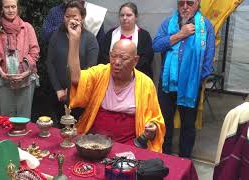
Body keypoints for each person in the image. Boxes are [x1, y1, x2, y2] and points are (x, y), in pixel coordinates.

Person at [66, 17, 165, 152]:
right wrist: (74, 40)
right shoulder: (101, 72)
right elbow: (76, 78)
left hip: (130, 143)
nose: (116, 62)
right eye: (113, 56)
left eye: (123, 58)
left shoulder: (145, 83)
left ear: (135, 61)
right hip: (95, 139)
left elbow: (155, 119)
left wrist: (153, 127)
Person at [152, 0, 215, 158]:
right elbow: (156, 45)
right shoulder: (168, 23)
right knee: (165, 122)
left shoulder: (205, 26)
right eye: (181, 3)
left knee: (188, 125)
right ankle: (163, 157)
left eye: (190, 3)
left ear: (198, 4)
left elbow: (208, 59)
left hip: (191, 85)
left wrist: (196, 81)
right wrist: (181, 34)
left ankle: (184, 159)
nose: (185, 7)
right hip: (167, 85)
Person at [45, 0, 99, 125]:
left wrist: (73, 91)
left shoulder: (90, 39)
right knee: (59, 130)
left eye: (74, 16)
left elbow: (90, 70)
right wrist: (58, 89)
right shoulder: (56, 36)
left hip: (80, 97)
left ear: (82, 18)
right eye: (67, 16)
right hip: (59, 95)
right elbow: (50, 63)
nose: (70, 19)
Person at [0, 0, 40, 118]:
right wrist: (1, 72)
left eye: (13, 7)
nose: (10, 10)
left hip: (26, 79)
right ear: (2, 9)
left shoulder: (27, 28)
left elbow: (34, 51)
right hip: (2, 79)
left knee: (24, 118)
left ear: (17, 8)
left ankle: (22, 137)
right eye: (7, 7)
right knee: (6, 117)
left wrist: (26, 72)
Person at [98, 2, 154, 78]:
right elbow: (103, 56)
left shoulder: (144, 36)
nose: (124, 18)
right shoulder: (110, 34)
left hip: (137, 77)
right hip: (111, 76)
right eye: (122, 15)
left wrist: (127, 71)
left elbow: (146, 59)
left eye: (129, 15)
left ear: (136, 17)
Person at [40, 0, 105, 46]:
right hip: (58, 58)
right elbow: (44, 36)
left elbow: (100, 45)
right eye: (67, 16)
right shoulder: (54, 11)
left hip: (84, 61)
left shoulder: (95, 14)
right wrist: (65, 26)